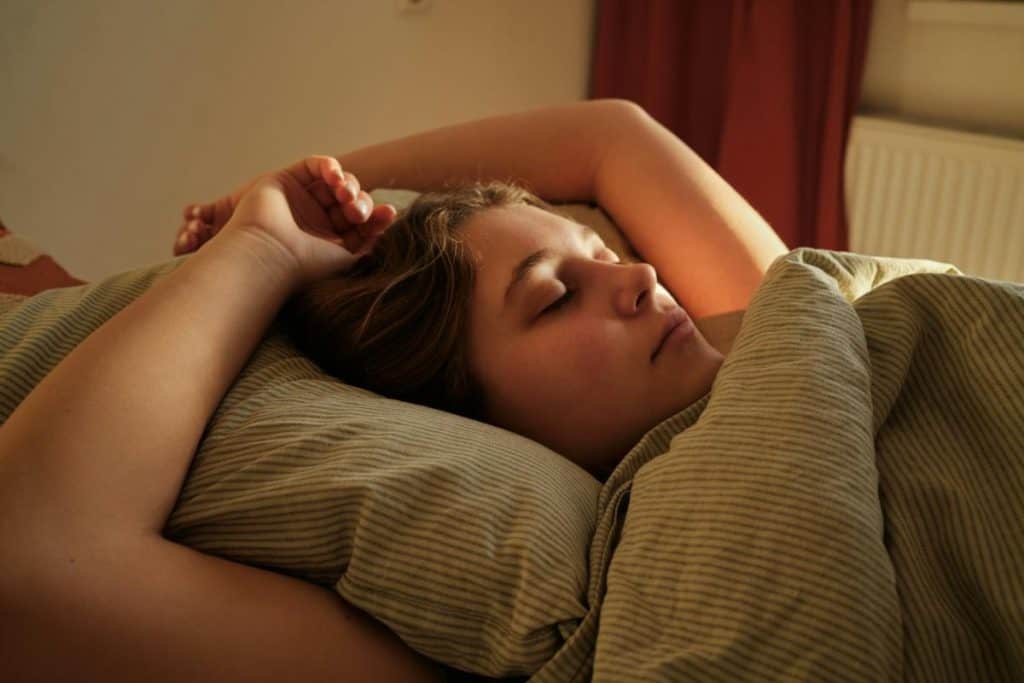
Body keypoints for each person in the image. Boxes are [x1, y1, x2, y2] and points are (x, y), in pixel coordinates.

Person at [0, 99, 787, 680]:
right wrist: (262, 249)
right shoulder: (569, 621)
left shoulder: (770, 331)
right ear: (471, 422)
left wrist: (318, 188)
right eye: (556, 296)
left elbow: (611, 135)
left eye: (602, 253)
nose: (643, 275)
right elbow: (30, 566)